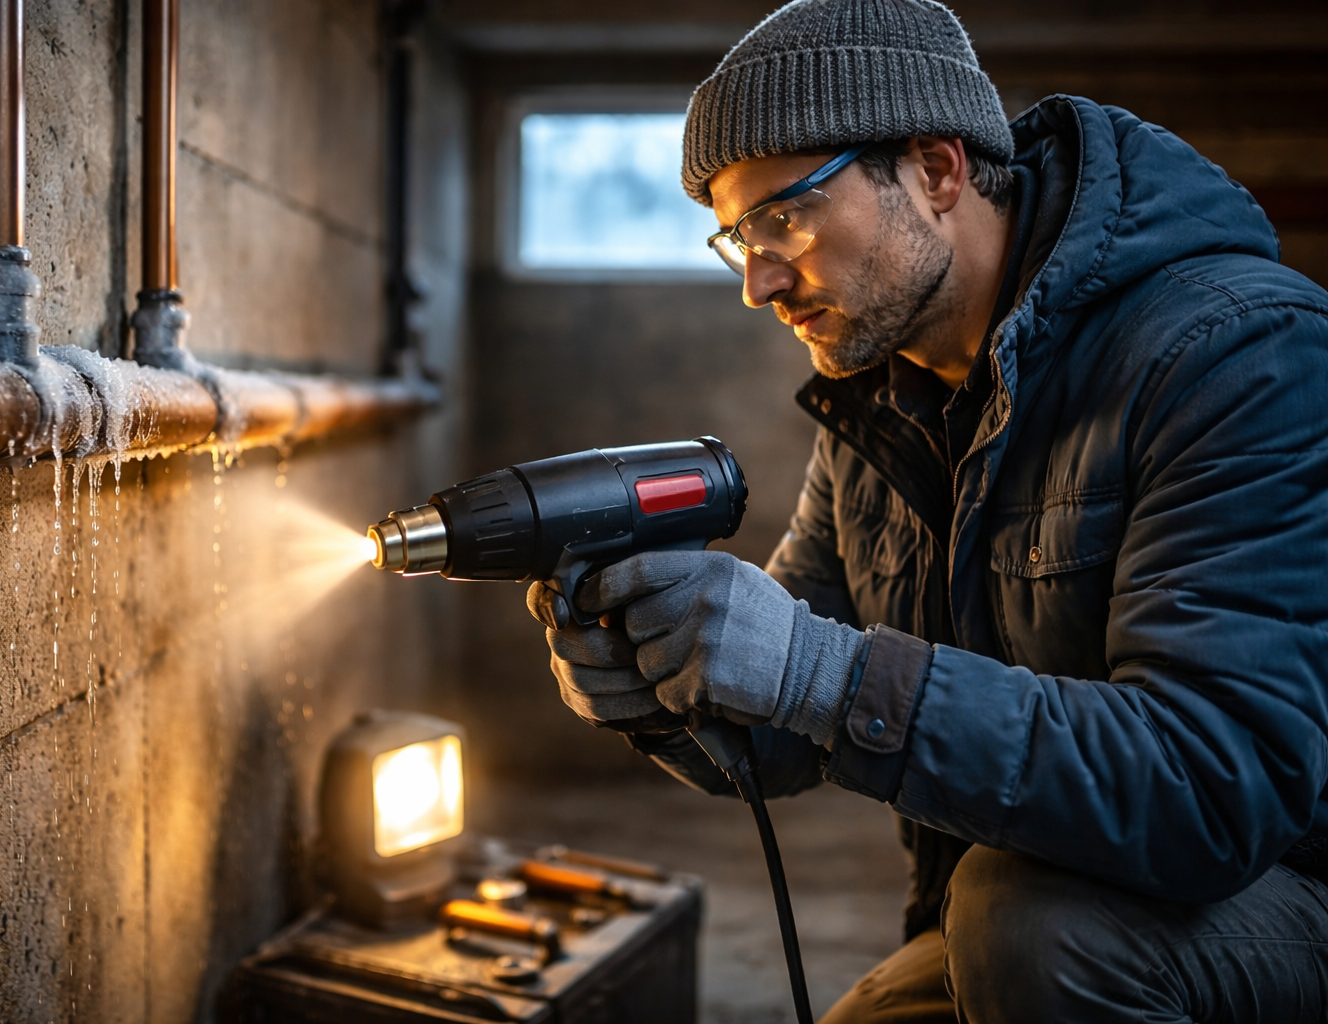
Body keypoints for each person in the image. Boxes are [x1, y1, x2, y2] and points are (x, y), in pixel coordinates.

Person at [524, 1, 1328, 1020]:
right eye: (738, 240)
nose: (760, 282)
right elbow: (783, 730)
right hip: (1029, 895)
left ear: (937, 171)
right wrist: (662, 686)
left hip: (1281, 890)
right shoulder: (880, 402)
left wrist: (823, 668)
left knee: (1025, 925)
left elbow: (1215, 789)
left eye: (785, 217)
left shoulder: (1232, 354)